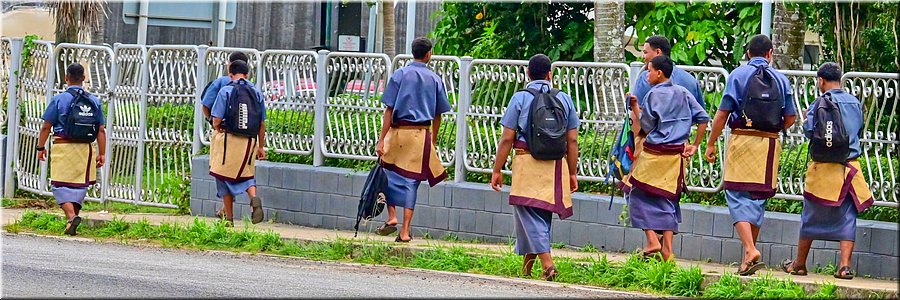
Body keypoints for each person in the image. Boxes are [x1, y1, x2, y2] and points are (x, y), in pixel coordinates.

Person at [704, 34, 797, 276]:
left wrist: (711, 144)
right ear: (770, 54)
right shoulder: (781, 79)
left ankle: (749, 249)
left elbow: (722, 114)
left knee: (735, 194)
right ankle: (748, 259)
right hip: (768, 146)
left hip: (742, 141)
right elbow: (790, 118)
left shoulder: (738, 75)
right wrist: (771, 127)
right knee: (757, 199)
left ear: (747, 54)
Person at [490, 54, 580, 281]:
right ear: (550, 74)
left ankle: (548, 264)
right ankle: (527, 269)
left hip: (526, 161)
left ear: (528, 74)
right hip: (555, 165)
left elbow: (507, 138)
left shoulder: (520, 98)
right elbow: (572, 140)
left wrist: (497, 169)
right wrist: (571, 172)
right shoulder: (565, 99)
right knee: (539, 213)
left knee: (527, 212)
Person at [781, 62, 873, 280]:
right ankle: (844, 266)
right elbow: (858, 129)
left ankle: (800, 264)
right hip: (849, 168)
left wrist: (806, 118)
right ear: (839, 79)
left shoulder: (818, 103)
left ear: (821, 81)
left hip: (823, 170)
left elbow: (810, 132)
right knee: (847, 218)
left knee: (810, 216)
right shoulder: (854, 102)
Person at [627, 55, 709, 261]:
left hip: (654, 154)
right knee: (669, 200)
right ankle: (667, 250)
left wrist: (635, 107)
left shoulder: (653, 95)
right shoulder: (683, 93)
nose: (647, 74)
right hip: (676, 156)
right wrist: (695, 144)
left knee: (634, 194)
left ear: (659, 73)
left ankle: (653, 240)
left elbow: (646, 125)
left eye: (649, 70)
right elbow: (703, 119)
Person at [374, 37, 451, 243]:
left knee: (387, 174)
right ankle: (405, 231)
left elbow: (389, 109)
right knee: (412, 182)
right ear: (428, 54)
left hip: (398, 132)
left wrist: (382, 140)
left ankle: (392, 216)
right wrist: (432, 138)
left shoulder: (400, 74)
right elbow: (438, 115)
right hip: (420, 135)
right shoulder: (435, 79)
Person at [36, 63, 107, 236]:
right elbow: (101, 130)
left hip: (63, 146)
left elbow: (46, 127)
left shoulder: (59, 99)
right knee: (79, 186)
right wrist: (102, 153)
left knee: (59, 185)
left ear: (66, 78)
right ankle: (72, 221)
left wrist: (40, 147)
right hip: (86, 149)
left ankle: (70, 217)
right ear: (84, 78)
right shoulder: (94, 101)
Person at [209, 59, 267, 226]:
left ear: (230, 74)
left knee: (222, 176)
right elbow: (262, 123)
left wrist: (218, 126)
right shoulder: (256, 92)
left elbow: (216, 120)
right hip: (250, 141)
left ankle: (229, 219)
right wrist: (260, 147)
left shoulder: (226, 90)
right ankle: (253, 198)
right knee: (247, 175)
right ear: (247, 75)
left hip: (229, 140)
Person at [200, 51, 249, 220]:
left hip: (223, 134)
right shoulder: (251, 86)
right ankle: (247, 199)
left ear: (229, 65)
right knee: (240, 172)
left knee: (221, 172)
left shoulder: (221, 83)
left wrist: (211, 121)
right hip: (246, 138)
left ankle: (227, 214)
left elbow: (205, 104)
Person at [630, 35, 707, 110]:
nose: (643, 57)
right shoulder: (690, 79)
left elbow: (636, 114)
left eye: (645, 52)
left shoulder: (646, 77)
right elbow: (701, 115)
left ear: (658, 52)